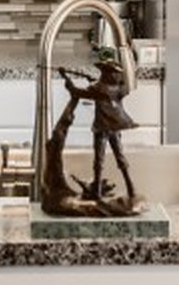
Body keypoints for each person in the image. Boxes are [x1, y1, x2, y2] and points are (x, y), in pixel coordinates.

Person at [59, 59, 138, 202]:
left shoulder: (99, 88)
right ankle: (132, 189)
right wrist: (92, 81)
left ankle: (97, 193)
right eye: (114, 73)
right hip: (115, 127)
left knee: (99, 161)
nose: (116, 76)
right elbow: (120, 88)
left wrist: (66, 78)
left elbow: (76, 92)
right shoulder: (120, 89)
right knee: (120, 158)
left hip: (102, 128)